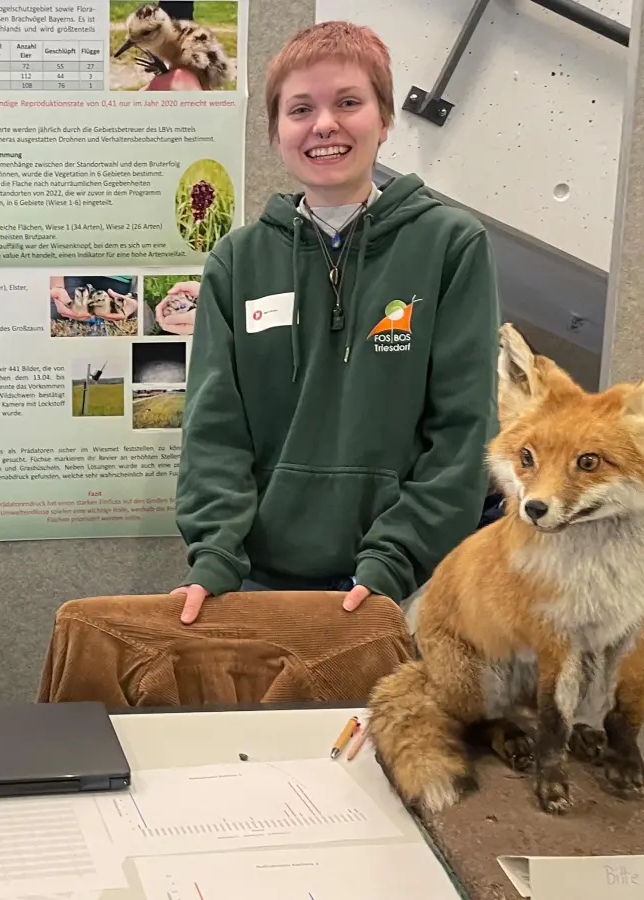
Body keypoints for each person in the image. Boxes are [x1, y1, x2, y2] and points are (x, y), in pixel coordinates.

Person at [172, 21, 501, 625]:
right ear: (276, 131)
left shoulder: (450, 245)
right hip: (258, 582)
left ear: (385, 118)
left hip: (406, 584)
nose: (324, 124)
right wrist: (214, 556)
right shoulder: (237, 262)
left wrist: (392, 563)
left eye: (348, 102)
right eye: (301, 109)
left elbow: (464, 430)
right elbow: (214, 431)